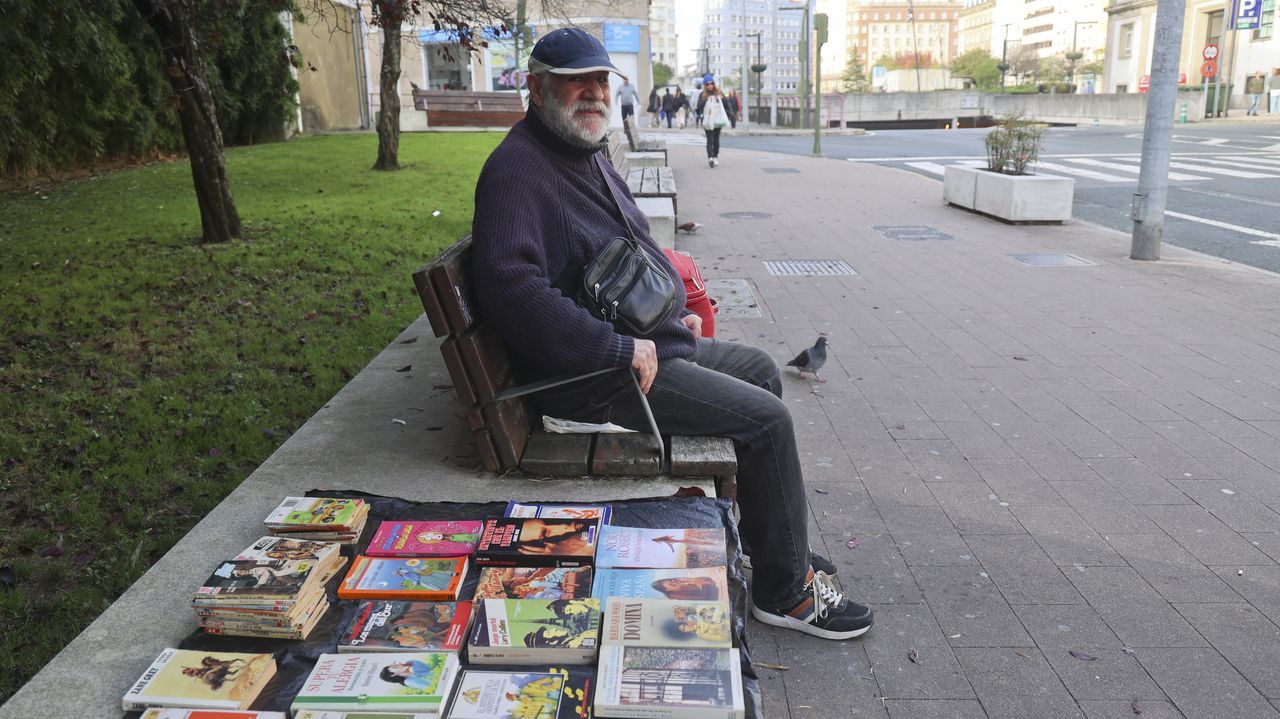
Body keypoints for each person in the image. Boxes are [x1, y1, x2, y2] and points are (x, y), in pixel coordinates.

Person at [469, 27, 873, 641]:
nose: (594, 92)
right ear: (536, 85)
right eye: (577, 79)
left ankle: (769, 546)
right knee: (768, 420)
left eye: (601, 80)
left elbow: (631, 246)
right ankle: (784, 594)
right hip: (591, 375)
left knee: (763, 369)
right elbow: (511, 289)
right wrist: (620, 347)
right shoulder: (517, 173)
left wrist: (668, 311)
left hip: (636, 347)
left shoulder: (581, 150)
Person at [696, 74, 729, 167]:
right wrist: (705, 100)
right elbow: (698, 107)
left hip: (718, 120)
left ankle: (715, 156)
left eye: (712, 83)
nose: (710, 86)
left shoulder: (719, 93)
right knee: (709, 139)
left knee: (716, 140)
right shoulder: (702, 95)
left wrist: (721, 100)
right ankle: (710, 157)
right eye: (708, 84)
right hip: (708, 120)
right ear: (705, 86)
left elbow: (726, 104)